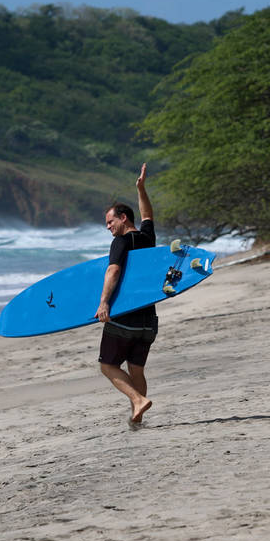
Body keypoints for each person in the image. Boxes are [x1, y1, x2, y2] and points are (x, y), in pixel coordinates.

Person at [96, 163, 157, 427]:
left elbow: (113, 270)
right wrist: (141, 189)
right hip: (149, 320)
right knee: (136, 368)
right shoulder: (147, 238)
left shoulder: (120, 242)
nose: (108, 227)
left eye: (110, 222)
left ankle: (138, 400)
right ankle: (138, 413)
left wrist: (104, 302)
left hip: (125, 317)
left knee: (107, 366)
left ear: (123, 218)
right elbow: (147, 215)